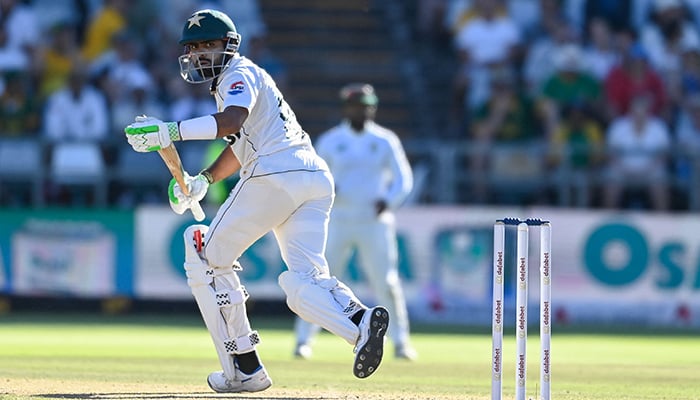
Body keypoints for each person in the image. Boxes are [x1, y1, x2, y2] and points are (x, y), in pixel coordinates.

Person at [123, 9, 389, 394]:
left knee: (204, 255)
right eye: (194, 47)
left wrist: (170, 131)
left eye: (208, 45)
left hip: (274, 176)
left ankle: (243, 366)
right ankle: (359, 321)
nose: (199, 54)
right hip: (312, 178)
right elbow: (237, 143)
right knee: (304, 282)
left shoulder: (238, 74)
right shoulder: (245, 80)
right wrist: (203, 181)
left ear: (229, 46)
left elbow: (230, 121)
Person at [293, 83, 417, 361]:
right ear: (346, 108)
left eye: (366, 106)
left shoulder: (385, 140)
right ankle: (304, 339)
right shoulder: (331, 140)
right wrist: (326, 190)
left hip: (374, 220)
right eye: (356, 106)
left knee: (386, 281)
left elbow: (403, 178)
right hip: (337, 219)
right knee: (320, 281)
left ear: (373, 108)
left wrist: (390, 200)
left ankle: (400, 341)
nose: (362, 111)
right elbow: (313, 175)